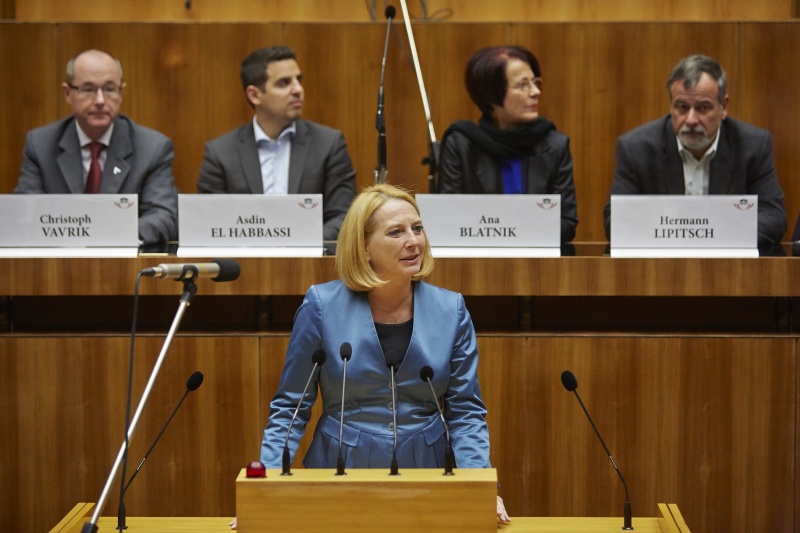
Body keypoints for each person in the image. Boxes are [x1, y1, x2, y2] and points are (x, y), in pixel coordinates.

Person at [240, 183, 509, 527]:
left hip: (428, 475)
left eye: (417, 228)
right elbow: (291, 407)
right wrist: (263, 490)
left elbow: (466, 412)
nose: (413, 241)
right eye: (396, 232)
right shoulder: (322, 306)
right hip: (339, 470)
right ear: (364, 247)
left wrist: (477, 486)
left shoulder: (450, 309)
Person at [603, 54, 787, 249]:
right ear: (671, 106)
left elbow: (773, 216)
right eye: (681, 107)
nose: (691, 120)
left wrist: (711, 236)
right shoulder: (636, 148)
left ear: (723, 107)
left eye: (703, 107)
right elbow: (615, 221)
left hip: (729, 268)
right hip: (660, 268)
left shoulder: (753, 145)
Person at [14, 49, 179, 246]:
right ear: (68, 93)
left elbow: (163, 215)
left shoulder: (152, 148)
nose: (100, 101)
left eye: (109, 89)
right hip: (58, 263)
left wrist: (109, 239)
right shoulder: (41, 145)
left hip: (124, 263)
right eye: (88, 89)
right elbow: (26, 212)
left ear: (121, 93)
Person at [197, 45, 357, 241]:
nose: (298, 90)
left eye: (298, 80)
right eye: (284, 83)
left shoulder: (329, 144)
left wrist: (294, 244)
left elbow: (345, 217)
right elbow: (211, 222)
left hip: (311, 264)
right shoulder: (220, 153)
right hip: (244, 265)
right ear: (254, 95)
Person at [438, 45, 579, 243]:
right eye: (523, 85)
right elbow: (448, 220)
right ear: (491, 96)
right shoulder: (461, 144)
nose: (536, 91)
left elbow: (566, 224)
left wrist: (504, 231)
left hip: (538, 264)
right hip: (478, 263)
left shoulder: (555, 144)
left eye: (535, 82)